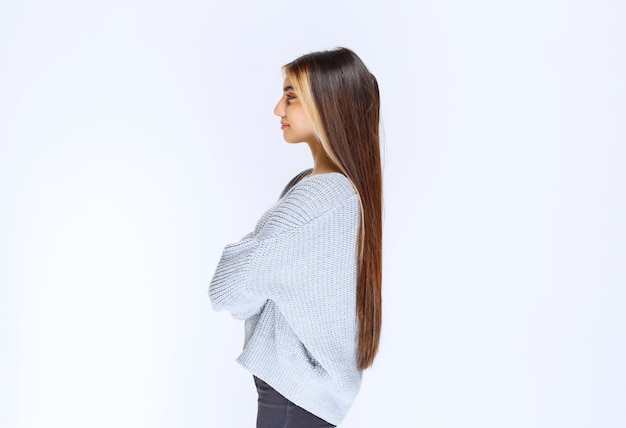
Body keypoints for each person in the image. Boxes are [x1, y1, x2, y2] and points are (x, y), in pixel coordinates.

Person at [209, 47, 382, 427]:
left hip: (293, 400)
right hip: (303, 400)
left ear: (328, 106)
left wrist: (251, 262)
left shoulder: (319, 197)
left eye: (290, 97)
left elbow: (226, 287)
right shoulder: (339, 192)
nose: (278, 110)